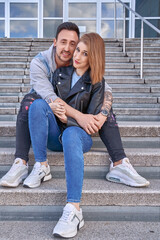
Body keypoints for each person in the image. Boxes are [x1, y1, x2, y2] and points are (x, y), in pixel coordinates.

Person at [0, 22, 149, 188]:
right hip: (52, 114)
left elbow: (104, 88)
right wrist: (79, 117)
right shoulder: (41, 63)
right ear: (54, 42)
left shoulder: (78, 59)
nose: (69, 49)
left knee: (105, 106)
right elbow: (50, 98)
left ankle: (119, 163)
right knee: (30, 102)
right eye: (63, 42)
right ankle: (21, 162)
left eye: (73, 44)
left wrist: (102, 115)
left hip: (73, 128)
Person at [26, 32, 105, 238]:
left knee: (71, 133)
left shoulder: (97, 83)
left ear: (93, 57)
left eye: (84, 53)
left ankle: (74, 209)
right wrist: (55, 111)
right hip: (56, 135)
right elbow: (51, 104)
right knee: (38, 105)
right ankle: (42, 165)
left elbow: (92, 124)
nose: (76, 55)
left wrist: (66, 119)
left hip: (79, 138)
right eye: (77, 49)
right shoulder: (60, 74)